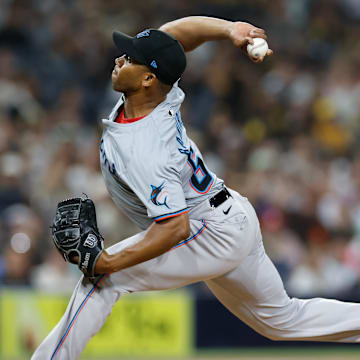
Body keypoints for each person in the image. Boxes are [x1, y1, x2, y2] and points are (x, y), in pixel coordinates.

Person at [32, 16, 360, 360]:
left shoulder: (148, 147)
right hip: (229, 214)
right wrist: (229, 29)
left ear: (147, 78)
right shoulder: (157, 90)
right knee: (281, 320)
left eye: (128, 59)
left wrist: (107, 261)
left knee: (101, 281)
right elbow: (174, 38)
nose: (118, 59)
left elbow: (175, 227)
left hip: (207, 229)